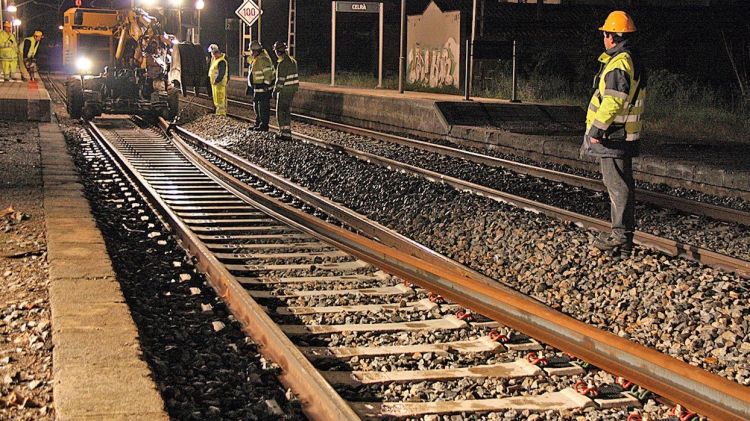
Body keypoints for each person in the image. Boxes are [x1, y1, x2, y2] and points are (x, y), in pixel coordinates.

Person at [581, 10, 647, 256]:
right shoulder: (631, 59)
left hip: (613, 135)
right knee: (621, 184)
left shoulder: (619, 63)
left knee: (617, 186)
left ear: (612, 36)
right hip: (622, 134)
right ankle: (623, 238)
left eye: (605, 33)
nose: (604, 38)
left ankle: (620, 236)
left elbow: (613, 101)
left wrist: (597, 129)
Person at [245, 41, 274, 131]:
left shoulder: (263, 59)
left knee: (263, 107)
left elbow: (268, 73)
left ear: (255, 51)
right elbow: (252, 61)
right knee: (257, 106)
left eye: (251, 51)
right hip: (257, 87)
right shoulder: (257, 58)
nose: (251, 53)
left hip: (263, 88)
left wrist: (266, 84)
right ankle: (258, 123)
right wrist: (247, 58)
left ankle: (264, 125)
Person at [272, 41, 298, 140]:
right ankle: (288, 133)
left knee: (280, 112)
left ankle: (284, 134)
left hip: (284, 91)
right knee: (286, 111)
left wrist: (275, 91)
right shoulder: (293, 61)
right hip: (292, 90)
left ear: (277, 52)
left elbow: (280, 80)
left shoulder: (282, 64)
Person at [207, 43, 228, 116]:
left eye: (212, 53)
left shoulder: (221, 61)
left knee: (220, 100)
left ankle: (221, 114)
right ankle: (218, 113)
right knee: (216, 99)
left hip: (219, 84)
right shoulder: (215, 60)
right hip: (215, 84)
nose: (212, 55)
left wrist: (216, 80)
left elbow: (221, 73)